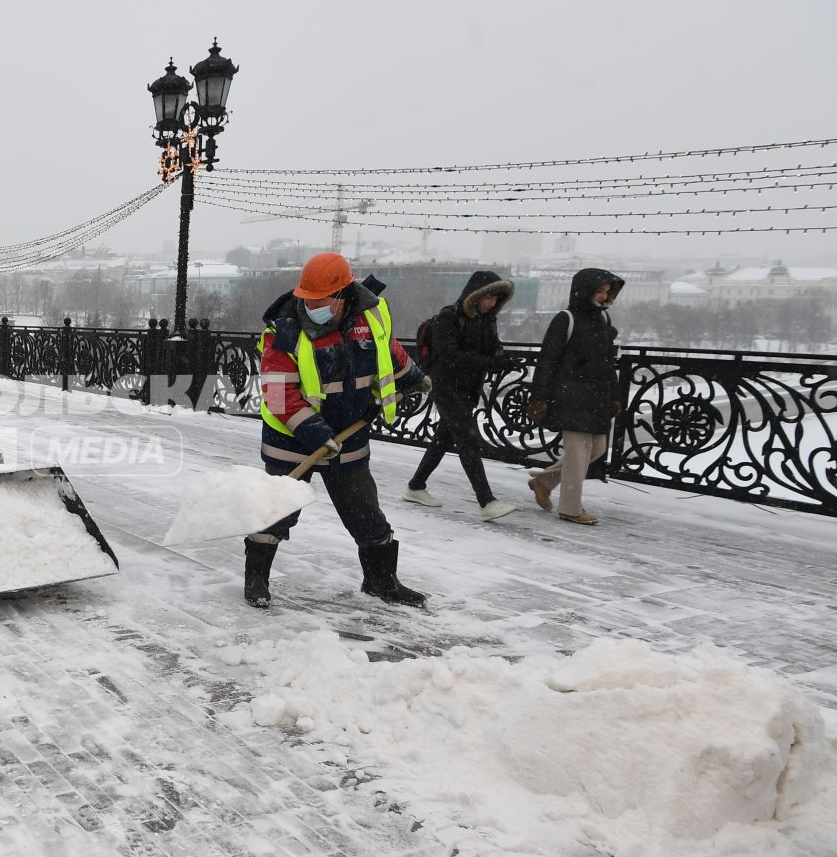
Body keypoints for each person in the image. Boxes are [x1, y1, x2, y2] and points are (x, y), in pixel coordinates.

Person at [247, 252, 432, 609]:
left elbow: (387, 351)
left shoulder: (369, 317)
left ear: (343, 295)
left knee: (365, 510)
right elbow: (278, 393)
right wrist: (316, 432)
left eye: (320, 301)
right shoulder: (284, 330)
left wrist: (413, 377)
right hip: (292, 440)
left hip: (350, 434)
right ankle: (256, 579)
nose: (311, 306)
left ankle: (381, 581)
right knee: (277, 511)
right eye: (307, 299)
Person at [403, 270, 521, 521]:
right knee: (468, 440)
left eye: (497, 299)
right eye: (489, 297)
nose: (493, 303)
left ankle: (415, 486)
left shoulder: (487, 319)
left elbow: (492, 346)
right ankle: (486, 501)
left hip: (468, 388)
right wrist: (488, 363)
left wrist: (500, 358)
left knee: (443, 439)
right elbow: (450, 355)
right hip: (445, 386)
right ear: (476, 295)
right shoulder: (450, 317)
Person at [527, 267, 626, 525]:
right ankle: (570, 508)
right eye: (599, 291)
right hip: (571, 396)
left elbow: (607, 362)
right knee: (578, 453)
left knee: (598, 448)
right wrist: (540, 398)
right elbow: (547, 360)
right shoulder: (566, 318)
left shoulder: (603, 321)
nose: (604, 297)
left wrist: (614, 396)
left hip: (598, 397)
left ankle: (543, 481)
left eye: (608, 292)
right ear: (585, 291)